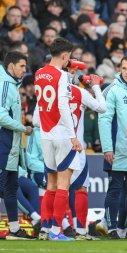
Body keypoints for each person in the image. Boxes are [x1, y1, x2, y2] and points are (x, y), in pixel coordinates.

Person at [33, 38, 82, 241]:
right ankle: (55, 231)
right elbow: (62, 106)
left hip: (45, 134)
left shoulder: (38, 73)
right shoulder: (61, 75)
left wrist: (40, 124)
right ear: (64, 55)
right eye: (68, 57)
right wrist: (73, 136)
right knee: (63, 185)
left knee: (51, 185)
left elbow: (38, 107)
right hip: (62, 134)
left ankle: (45, 229)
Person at [97, 55, 127, 239]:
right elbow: (104, 119)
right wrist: (107, 148)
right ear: (120, 69)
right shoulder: (112, 90)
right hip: (117, 150)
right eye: (124, 68)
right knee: (115, 189)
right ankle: (111, 228)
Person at [65, 73, 106, 240]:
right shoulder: (78, 92)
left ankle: (51, 228)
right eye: (74, 70)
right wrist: (95, 86)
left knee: (56, 188)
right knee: (80, 187)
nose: (76, 74)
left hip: (53, 142)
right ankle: (81, 231)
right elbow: (101, 107)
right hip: (76, 145)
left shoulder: (49, 90)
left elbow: (37, 121)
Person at [0, 51, 34, 240]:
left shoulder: (12, 84)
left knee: (11, 187)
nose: (24, 69)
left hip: (10, 146)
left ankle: (14, 229)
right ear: (11, 65)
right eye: (21, 66)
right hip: (3, 142)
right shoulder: (5, 84)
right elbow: (1, 116)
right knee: (5, 186)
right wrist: (23, 128)